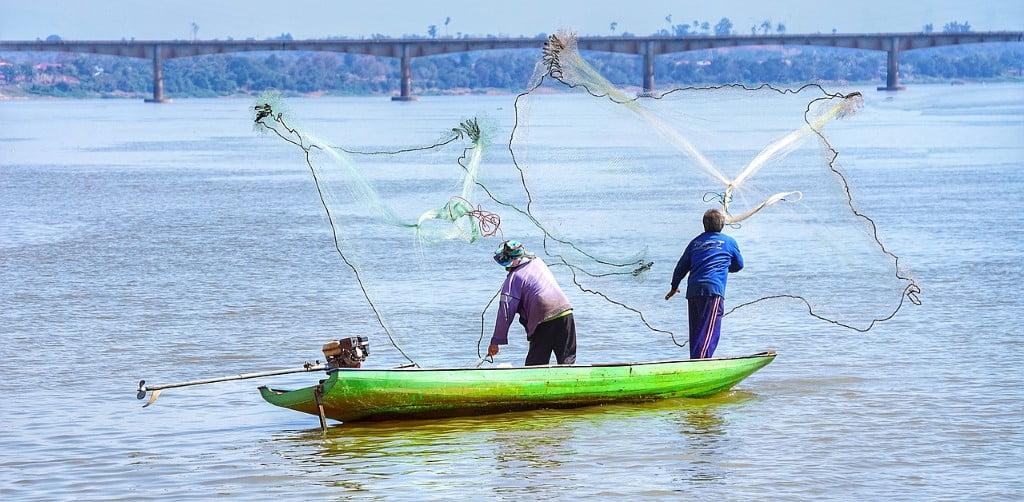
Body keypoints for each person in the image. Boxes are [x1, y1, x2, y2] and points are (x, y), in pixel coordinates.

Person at [664, 209, 744, 359]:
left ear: (704, 225)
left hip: (693, 290)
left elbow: (681, 266)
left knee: (696, 331)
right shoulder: (729, 242)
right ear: (722, 225)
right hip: (712, 291)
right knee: (710, 331)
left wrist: (674, 286)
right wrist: (724, 266)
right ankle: (701, 363)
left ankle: (694, 360)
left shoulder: (695, 242)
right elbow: (739, 265)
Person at [488, 240, 576, 366]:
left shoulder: (513, 279)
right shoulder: (538, 262)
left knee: (535, 365)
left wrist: (495, 341)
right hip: (565, 311)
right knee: (567, 361)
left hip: (543, 319)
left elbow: (505, 313)